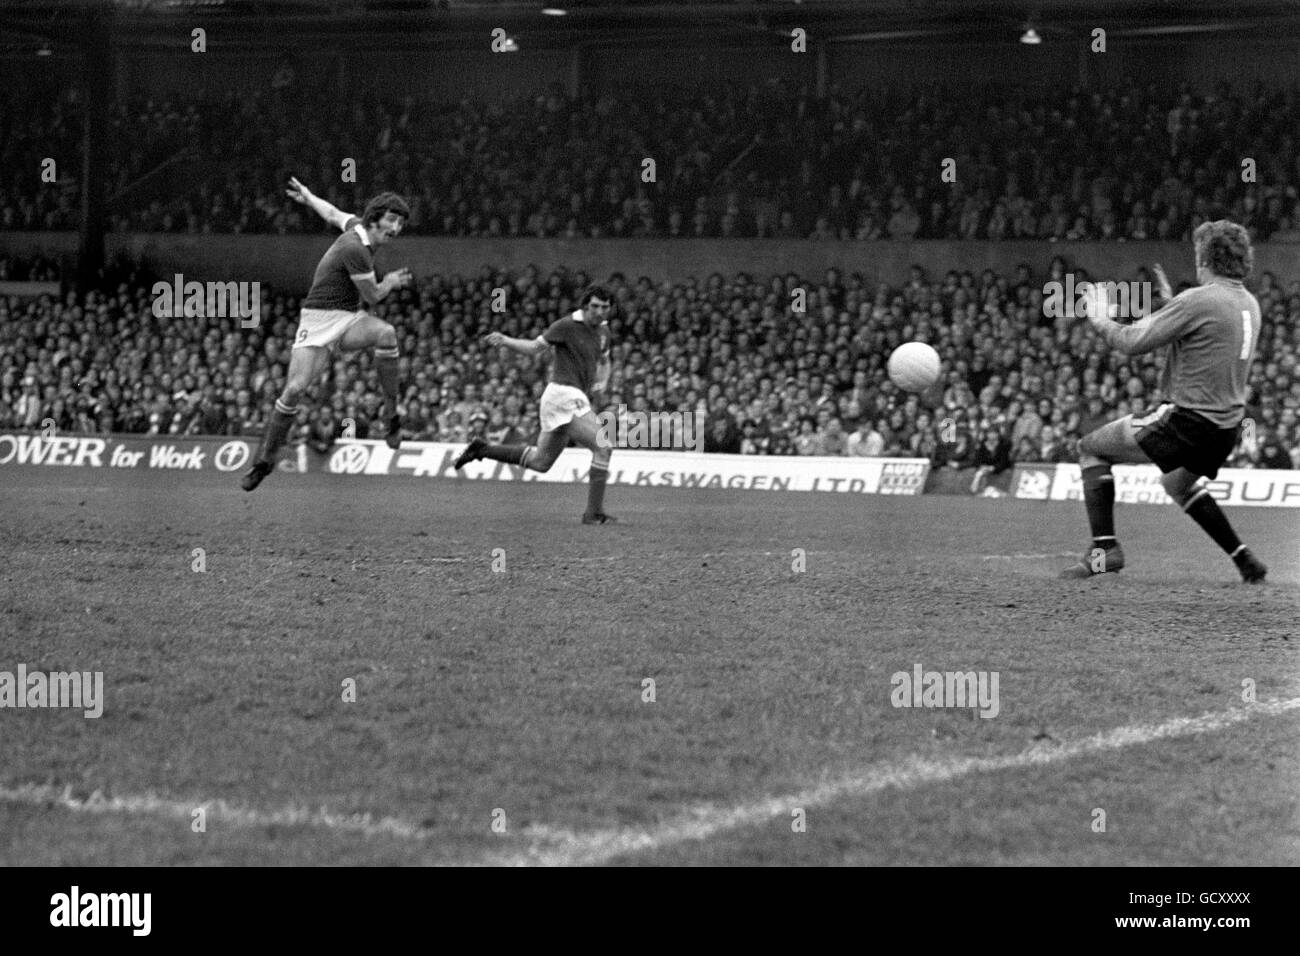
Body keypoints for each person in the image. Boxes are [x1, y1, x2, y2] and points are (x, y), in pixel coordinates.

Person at [1062, 220, 1267, 582]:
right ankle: (1244, 559)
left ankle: (1105, 549)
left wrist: (1096, 313)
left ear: (1204, 257)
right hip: (1225, 429)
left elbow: (1129, 342)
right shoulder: (1247, 302)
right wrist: (1175, 306)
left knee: (1090, 448)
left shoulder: (1199, 300)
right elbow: (1212, 340)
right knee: (1177, 484)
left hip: (1187, 421)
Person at [241, 177, 413, 491]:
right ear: (375, 218)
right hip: (318, 321)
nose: (396, 228)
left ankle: (391, 416)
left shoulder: (358, 227)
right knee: (294, 390)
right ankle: (264, 461)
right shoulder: (354, 248)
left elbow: (332, 213)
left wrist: (309, 196)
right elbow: (374, 295)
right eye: (392, 219)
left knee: (387, 334)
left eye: (400, 222)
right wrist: (390, 282)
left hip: (347, 318)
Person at [452, 285, 617, 524]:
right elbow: (534, 348)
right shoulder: (566, 326)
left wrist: (602, 381)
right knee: (604, 446)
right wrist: (506, 340)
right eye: (595, 306)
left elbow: (605, 360)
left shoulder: (604, 332)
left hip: (568, 398)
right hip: (563, 394)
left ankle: (482, 449)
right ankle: (593, 514)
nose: (599, 311)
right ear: (584, 306)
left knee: (541, 462)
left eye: (605, 307)